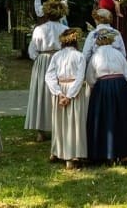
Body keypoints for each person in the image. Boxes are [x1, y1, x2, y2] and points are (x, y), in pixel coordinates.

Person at [84, 28, 127, 165]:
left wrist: (96, 86)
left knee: (103, 119)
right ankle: (126, 153)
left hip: (102, 87)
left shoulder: (95, 56)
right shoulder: (118, 54)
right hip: (120, 86)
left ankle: (105, 153)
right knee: (122, 117)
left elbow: (90, 78)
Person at [44, 26, 87, 169]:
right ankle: (73, 153)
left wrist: (58, 93)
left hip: (61, 89)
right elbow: (80, 78)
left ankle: (58, 151)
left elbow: (49, 76)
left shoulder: (57, 56)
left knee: (59, 122)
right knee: (74, 122)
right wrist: (68, 96)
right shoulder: (80, 56)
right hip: (72, 91)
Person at [25, 0, 67, 143]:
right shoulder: (64, 29)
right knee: (59, 91)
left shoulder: (39, 29)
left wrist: (39, 59)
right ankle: (59, 126)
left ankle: (41, 131)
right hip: (60, 60)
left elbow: (32, 50)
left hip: (43, 60)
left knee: (41, 93)